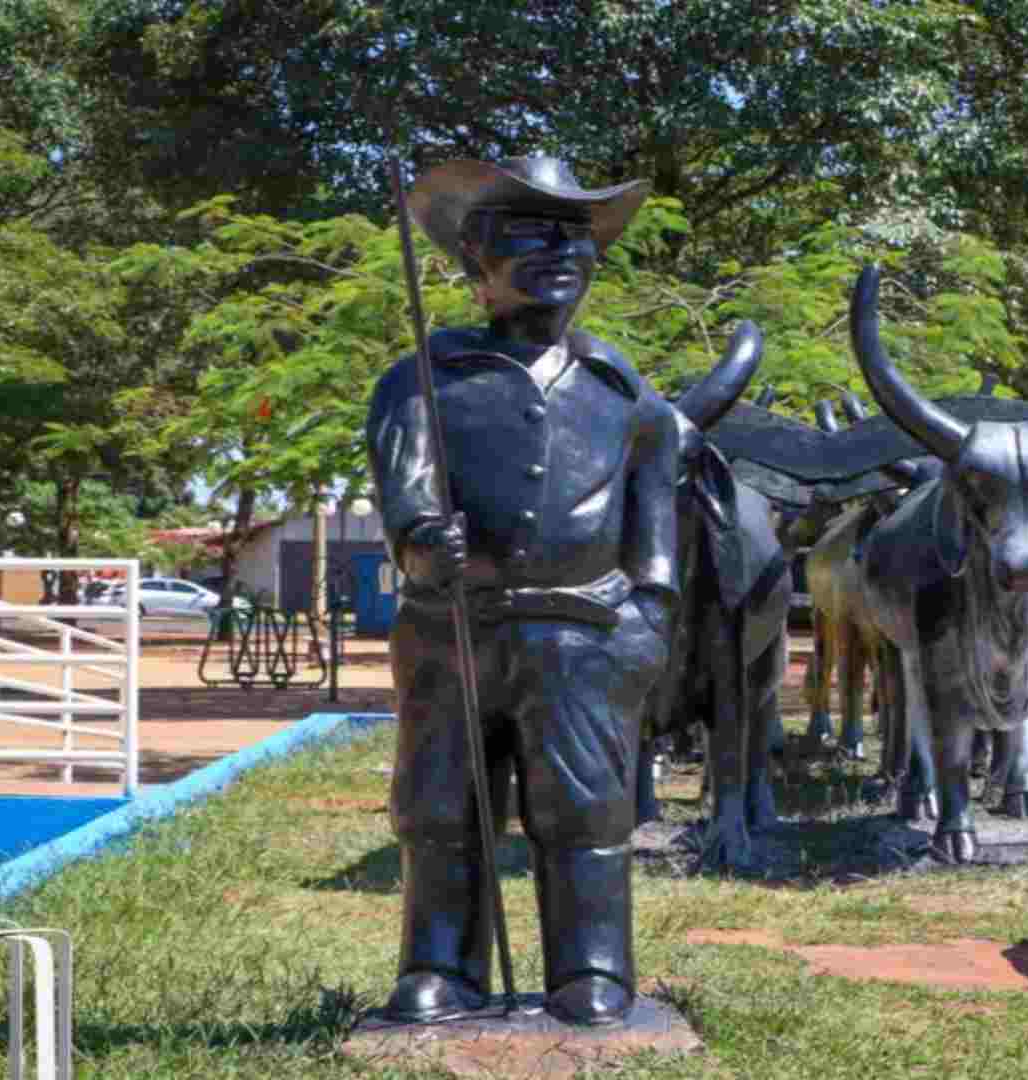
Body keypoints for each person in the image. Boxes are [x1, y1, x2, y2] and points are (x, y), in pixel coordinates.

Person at [364, 157, 680, 1027]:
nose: (557, 251)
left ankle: (594, 974)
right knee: (440, 806)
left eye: (574, 235)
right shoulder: (423, 381)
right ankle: (439, 966)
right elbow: (406, 492)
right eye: (528, 233)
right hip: (451, 631)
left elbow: (656, 534)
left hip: (586, 636)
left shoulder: (629, 397)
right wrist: (426, 544)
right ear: (474, 258)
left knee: (585, 810)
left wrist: (647, 622)